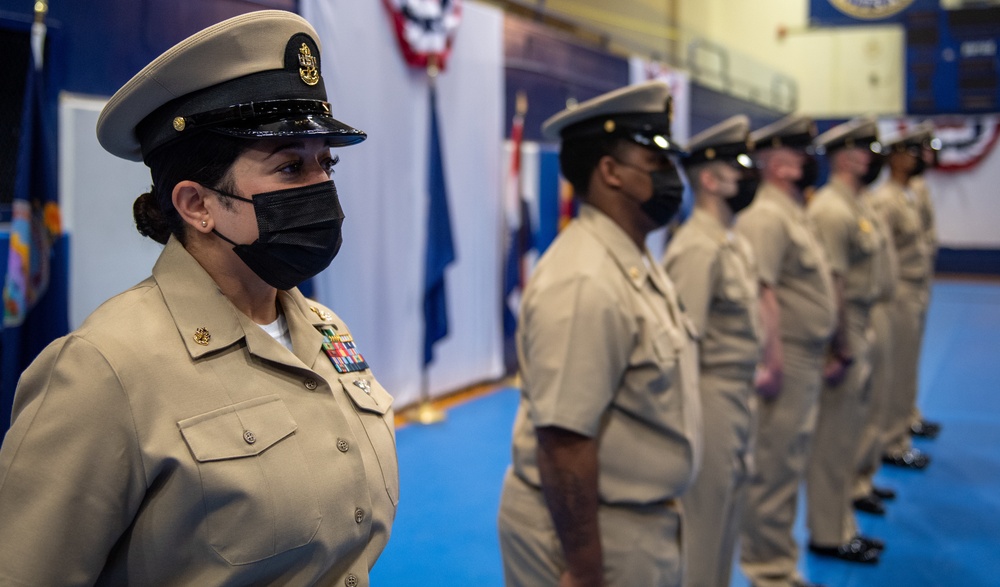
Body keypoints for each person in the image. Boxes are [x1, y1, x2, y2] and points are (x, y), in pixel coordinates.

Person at [0, 11, 398, 585]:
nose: (321, 190)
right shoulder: (104, 368)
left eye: (325, 163)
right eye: (290, 166)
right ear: (197, 205)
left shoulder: (323, 328)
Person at [497, 81, 701, 587]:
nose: (673, 178)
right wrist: (587, 570)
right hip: (591, 538)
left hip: (639, 524)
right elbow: (564, 442)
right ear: (610, 172)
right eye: (657, 165)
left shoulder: (629, 260)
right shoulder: (585, 279)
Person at [735, 114, 837, 587]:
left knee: (790, 459)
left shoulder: (792, 210)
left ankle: (779, 562)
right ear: (779, 164)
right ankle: (768, 571)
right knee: (774, 467)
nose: (809, 162)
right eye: (801, 154)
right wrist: (770, 360)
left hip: (807, 353)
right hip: (788, 356)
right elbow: (761, 292)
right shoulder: (766, 216)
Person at [664, 115, 763, 587]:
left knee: (728, 515)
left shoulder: (729, 239)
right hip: (711, 397)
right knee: (705, 521)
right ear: (709, 178)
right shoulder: (697, 247)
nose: (746, 177)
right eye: (737, 167)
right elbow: (685, 346)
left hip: (739, 393)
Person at [804, 118, 888, 564]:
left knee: (850, 430)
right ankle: (828, 532)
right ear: (843, 155)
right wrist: (842, 343)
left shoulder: (851, 203)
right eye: (861, 150)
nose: (868, 158)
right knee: (833, 439)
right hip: (846, 323)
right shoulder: (832, 210)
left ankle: (842, 524)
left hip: (862, 318)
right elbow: (832, 282)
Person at [870, 126, 935, 469]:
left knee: (907, 367)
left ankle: (903, 424)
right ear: (895, 158)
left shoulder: (909, 194)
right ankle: (892, 440)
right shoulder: (885, 200)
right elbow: (883, 254)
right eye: (911, 152)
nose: (918, 159)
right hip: (898, 293)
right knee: (894, 371)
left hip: (915, 286)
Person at [907, 123, 944, 439]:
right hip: (901, 290)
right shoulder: (903, 194)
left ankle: (908, 414)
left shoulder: (917, 189)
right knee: (899, 363)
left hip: (917, 281)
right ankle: (898, 425)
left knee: (910, 357)